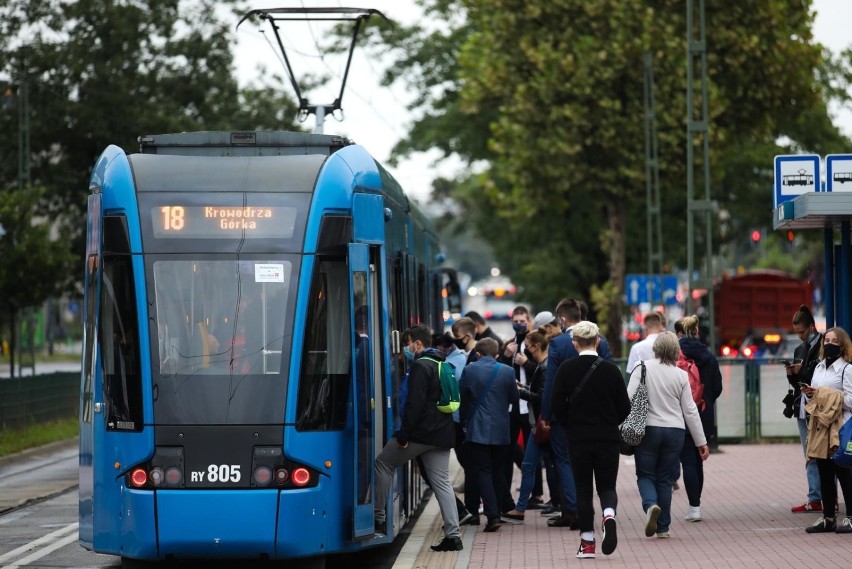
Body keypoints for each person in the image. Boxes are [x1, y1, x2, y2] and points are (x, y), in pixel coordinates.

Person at [373, 324, 462, 552]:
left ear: (417, 343)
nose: (405, 349)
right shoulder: (442, 362)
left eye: (407, 344)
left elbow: (415, 405)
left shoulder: (421, 366)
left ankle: (378, 516)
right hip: (442, 433)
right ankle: (453, 536)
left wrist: (403, 436)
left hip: (420, 434)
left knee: (383, 462)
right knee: (442, 483)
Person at [551, 321, 631, 558]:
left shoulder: (565, 369)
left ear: (574, 343)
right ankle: (609, 514)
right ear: (597, 341)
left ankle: (587, 543)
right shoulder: (611, 370)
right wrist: (609, 421)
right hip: (608, 438)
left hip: (578, 438)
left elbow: (556, 405)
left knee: (583, 489)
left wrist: (570, 423)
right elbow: (624, 407)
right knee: (607, 486)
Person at [627, 332, 710, 539]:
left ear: (655, 349)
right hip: (675, 432)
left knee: (645, 475)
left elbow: (628, 399)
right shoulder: (680, 375)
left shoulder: (641, 368)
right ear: (675, 351)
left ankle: (651, 506)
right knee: (665, 479)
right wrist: (701, 441)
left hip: (648, 430)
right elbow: (690, 410)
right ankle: (663, 528)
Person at [459, 338, 519, 532]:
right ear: (497, 354)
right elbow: (513, 398)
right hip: (501, 430)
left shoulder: (469, 370)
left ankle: (492, 516)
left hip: (477, 431)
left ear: (477, 354)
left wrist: (464, 423)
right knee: (498, 472)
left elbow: (463, 397)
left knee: (482, 471)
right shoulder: (508, 371)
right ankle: (499, 510)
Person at [799, 326, 852, 533]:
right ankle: (828, 517)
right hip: (821, 426)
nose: (829, 344)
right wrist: (810, 394)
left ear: (842, 345)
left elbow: (850, 400)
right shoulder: (819, 367)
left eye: (834, 341)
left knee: (844, 471)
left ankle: (850, 517)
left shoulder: (847, 369)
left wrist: (822, 394)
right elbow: (816, 397)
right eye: (826, 340)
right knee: (824, 472)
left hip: (840, 426)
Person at [502, 329, 558, 521]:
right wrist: (523, 387)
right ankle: (524, 507)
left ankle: (522, 508)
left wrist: (520, 392)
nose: (525, 350)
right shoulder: (544, 366)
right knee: (535, 465)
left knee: (535, 465)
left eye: (527, 346)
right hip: (542, 425)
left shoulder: (544, 367)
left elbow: (541, 397)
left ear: (535, 347)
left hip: (541, 426)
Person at [676, 315, 723, 522]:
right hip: (703, 413)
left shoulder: (675, 354)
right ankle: (696, 505)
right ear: (697, 332)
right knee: (698, 460)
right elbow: (718, 387)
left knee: (688, 463)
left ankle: (693, 507)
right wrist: (707, 399)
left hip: (681, 413)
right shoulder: (709, 356)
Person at [785, 304, 825, 513]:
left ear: (811, 326)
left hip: (819, 406)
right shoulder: (799, 349)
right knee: (809, 452)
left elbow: (819, 377)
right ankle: (815, 496)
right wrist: (792, 373)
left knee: (824, 452)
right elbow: (799, 383)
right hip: (803, 406)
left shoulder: (824, 345)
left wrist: (804, 371)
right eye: (796, 332)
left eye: (801, 332)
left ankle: (825, 496)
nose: (799, 336)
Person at [498, 306, 536, 502]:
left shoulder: (534, 343)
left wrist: (526, 363)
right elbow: (498, 372)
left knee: (534, 450)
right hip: (512, 406)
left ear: (528, 321)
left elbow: (541, 372)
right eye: (516, 321)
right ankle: (505, 496)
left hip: (529, 404)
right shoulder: (508, 345)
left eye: (522, 321)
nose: (519, 324)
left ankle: (536, 494)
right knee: (508, 451)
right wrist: (505, 356)